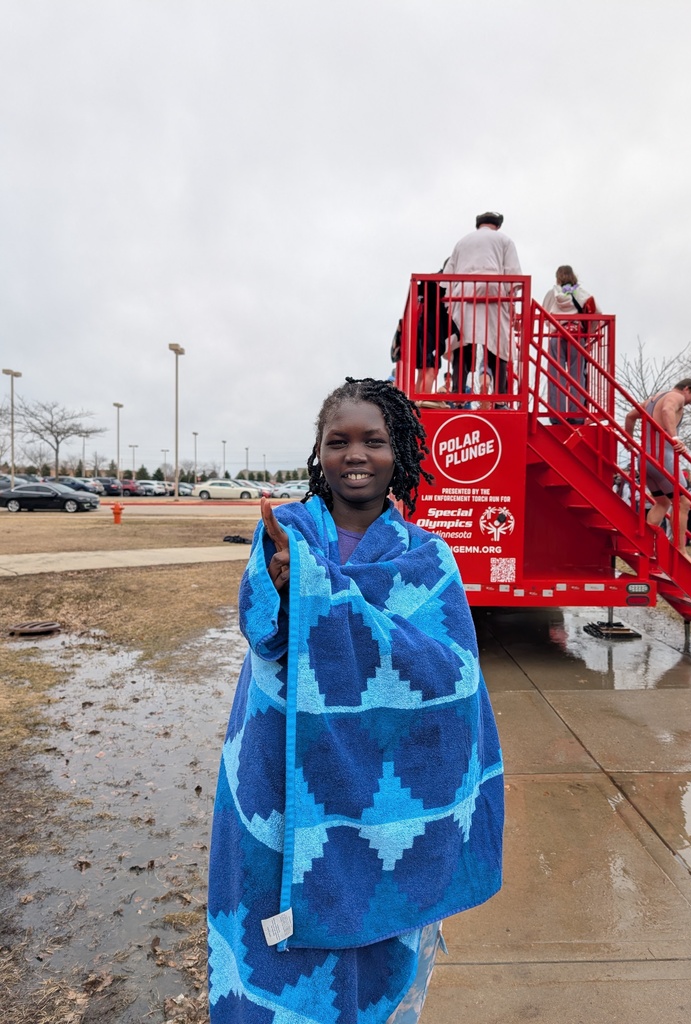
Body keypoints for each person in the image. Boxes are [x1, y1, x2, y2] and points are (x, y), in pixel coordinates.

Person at [207, 378, 505, 1024]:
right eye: (337, 441)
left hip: (383, 808)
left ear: (396, 449)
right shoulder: (286, 533)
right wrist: (287, 588)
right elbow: (260, 628)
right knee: (276, 946)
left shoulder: (427, 557)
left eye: (372, 440)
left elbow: (452, 673)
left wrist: (329, 601)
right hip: (283, 781)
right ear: (318, 453)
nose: (355, 454)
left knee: (369, 959)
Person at [444, 211, 522, 397]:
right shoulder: (504, 240)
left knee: (462, 343)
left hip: (462, 294)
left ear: (478, 224)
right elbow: (514, 276)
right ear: (498, 225)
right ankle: (500, 396)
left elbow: (446, 277)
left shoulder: (462, 242)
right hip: (494, 294)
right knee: (497, 345)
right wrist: (512, 305)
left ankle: (458, 392)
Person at [624, 378, 691, 559]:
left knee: (663, 502)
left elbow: (630, 416)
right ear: (687, 389)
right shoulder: (676, 396)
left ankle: (645, 547)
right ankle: (680, 550)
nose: (689, 403)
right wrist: (675, 438)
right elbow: (667, 410)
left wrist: (629, 440)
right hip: (662, 458)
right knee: (683, 503)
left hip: (646, 459)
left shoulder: (653, 399)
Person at [542, 266, 600, 423]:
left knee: (556, 377)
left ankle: (557, 415)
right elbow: (598, 313)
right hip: (577, 337)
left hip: (557, 336)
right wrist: (589, 335)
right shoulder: (582, 293)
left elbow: (544, 314)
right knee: (577, 377)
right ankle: (577, 414)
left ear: (557, 278)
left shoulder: (552, 294)